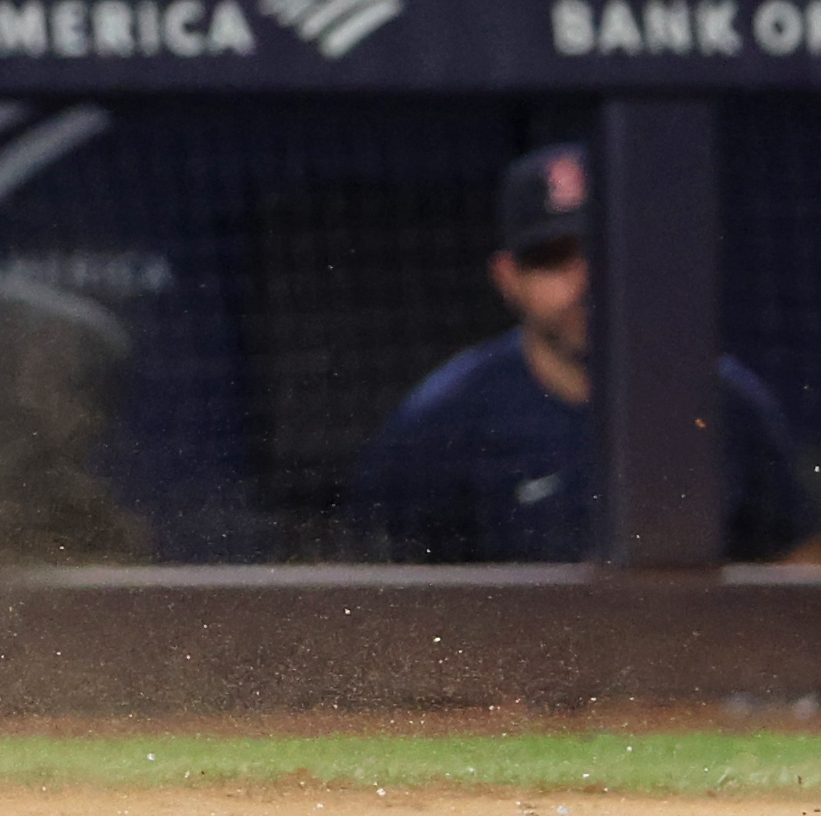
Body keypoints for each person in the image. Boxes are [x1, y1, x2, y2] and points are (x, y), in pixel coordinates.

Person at [349, 144, 820, 564]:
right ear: (508, 277)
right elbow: (379, 595)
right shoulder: (442, 421)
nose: (584, 281)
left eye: (603, 249)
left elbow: (795, 564)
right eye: (551, 257)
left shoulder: (726, 402)